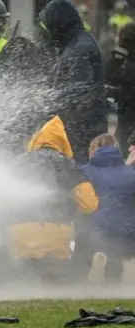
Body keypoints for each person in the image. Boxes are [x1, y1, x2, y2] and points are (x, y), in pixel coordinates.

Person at [8, 115, 98, 282]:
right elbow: (89, 204)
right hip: (57, 230)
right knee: (54, 279)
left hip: (21, 230)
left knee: (25, 279)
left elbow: (3, 197)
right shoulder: (68, 165)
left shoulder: (19, 162)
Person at [38, 0, 107, 164]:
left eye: (49, 28)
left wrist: (47, 100)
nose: (47, 33)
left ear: (59, 25)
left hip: (82, 133)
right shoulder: (73, 44)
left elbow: (80, 90)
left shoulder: (79, 48)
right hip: (76, 129)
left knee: (80, 179)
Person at [79, 134, 135, 284]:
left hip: (96, 229)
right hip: (127, 231)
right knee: (116, 260)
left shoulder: (85, 170)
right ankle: (114, 288)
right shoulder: (131, 173)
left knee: (83, 250)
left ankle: (82, 281)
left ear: (94, 150)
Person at [106, 22, 135, 157]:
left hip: (128, 116)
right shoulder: (128, 61)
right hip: (126, 114)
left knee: (124, 149)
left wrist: (118, 54)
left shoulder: (128, 63)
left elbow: (111, 75)